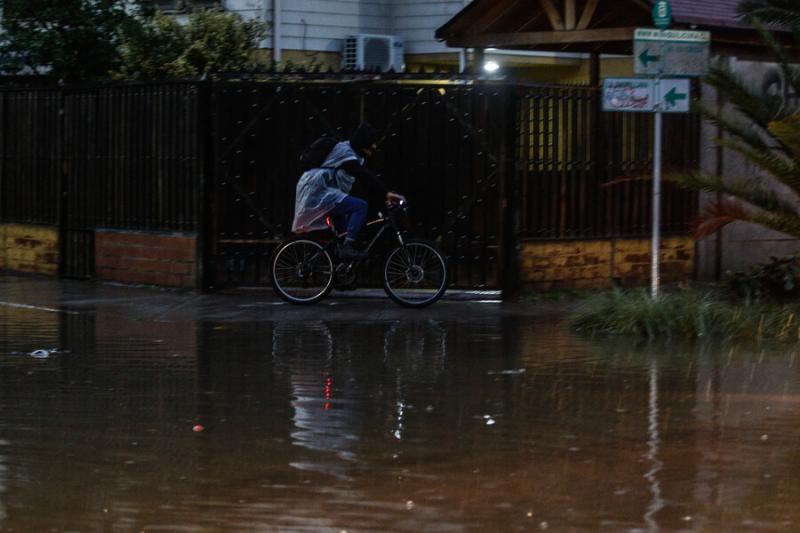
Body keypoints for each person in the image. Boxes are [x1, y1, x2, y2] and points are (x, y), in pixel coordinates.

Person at [292, 123, 405, 260]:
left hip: (328, 193)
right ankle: (345, 249)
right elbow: (364, 176)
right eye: (368, 148)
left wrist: (382, 198)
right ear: (361, 145)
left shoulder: (354, 155)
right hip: (319, 191)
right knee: (360, 206)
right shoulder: (346, 153)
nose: (370, 152)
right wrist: (386, 193)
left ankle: (338, 262)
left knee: (344, 231)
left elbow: (362, 184)